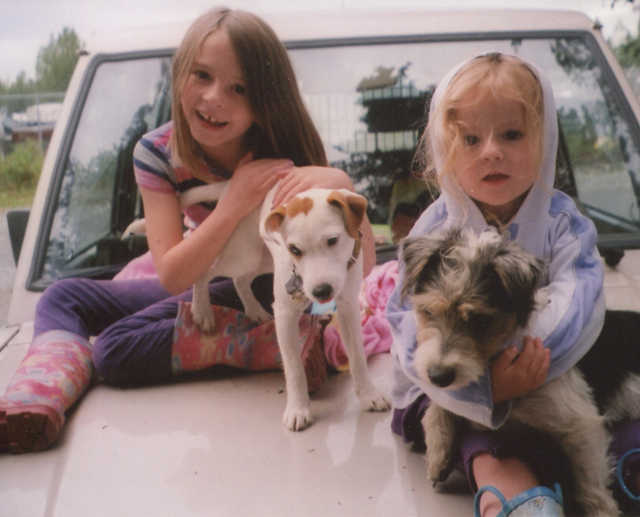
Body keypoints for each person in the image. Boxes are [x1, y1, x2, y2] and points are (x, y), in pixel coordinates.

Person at [387, 52, 640, 517]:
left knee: (620, 431)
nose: (492, 151)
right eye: (470, 138)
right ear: (445, 147)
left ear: (545, 141)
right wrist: (482, 391)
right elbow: (402, 315)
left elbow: (577, 303)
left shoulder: (565, 224)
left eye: (512, 134)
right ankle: (514, 495)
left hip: (552, 369)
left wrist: (525, 361)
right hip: (454, 388)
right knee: (480, 432)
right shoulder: (432, 227)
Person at [0, 7, 375, 454]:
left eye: (239, 88)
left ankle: (280, 344)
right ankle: (35, 399)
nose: (215, 97)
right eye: (201, 75)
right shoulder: (157, 151)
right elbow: (173, 273)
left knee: (114, 350)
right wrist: (233, 202)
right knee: (63, 296)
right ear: (179, 75)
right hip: (207, 272)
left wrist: (342, 185)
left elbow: (361, 267)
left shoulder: (281, 150)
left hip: (271, 284)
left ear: (264, 102)